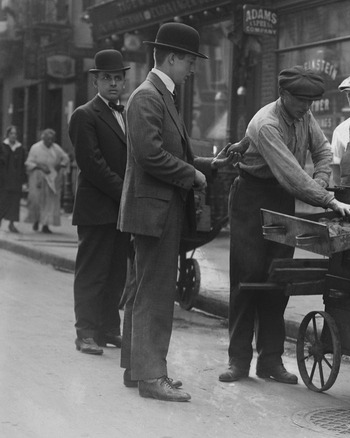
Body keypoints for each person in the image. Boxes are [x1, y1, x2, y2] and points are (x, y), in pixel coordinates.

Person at [217, 66, 350, 384]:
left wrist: (322, 179)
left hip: (282, 198)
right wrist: (329, 200)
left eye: (311, 102)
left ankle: (270, 360)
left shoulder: (305, 116)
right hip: (250, 199)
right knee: (247, 278)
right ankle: (238, 360)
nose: (307, 108)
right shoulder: (266, 123)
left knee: (277, 278)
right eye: (300, 102)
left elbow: (323, 151)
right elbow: (292, 174)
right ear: (283, 95)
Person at [118, 22, 238, 402]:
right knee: (154, 293)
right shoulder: (148, 97)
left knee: (143, 290)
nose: (193, 69)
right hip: (154, 212)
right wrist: (194, 175)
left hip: (157, 209)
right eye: (189, 61)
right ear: (171, 58)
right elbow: (151, 155)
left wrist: (211, 164)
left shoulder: (158, 95)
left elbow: (170, 150)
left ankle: (136, 369)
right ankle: (152, 377)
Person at [68, 49, 132, 356]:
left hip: (119, 209)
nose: (113, 84)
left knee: (116, 272)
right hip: (97, 209)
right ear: (96, 81)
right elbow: (92, 164)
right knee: (92, 272)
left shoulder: (126, 114)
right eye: (107, 78)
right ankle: (86, 333)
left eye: (118, 78)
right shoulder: (85, 114)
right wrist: (126, 192)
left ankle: (108, 329)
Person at [25, 128, 69, 233]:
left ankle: (46, 225)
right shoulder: (35, 148)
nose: (50, 141)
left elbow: (66, 158)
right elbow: (28, 162)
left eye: (52, 139)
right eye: (48, 139)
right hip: (38, 178)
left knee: (49, 202)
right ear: (43, 138)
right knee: (36, 200)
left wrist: (60, 165)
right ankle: (36, 220)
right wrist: (39, 166)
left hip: (51, 179)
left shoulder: (56, 148)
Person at [0, 126, 27, 233]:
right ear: (7, 135)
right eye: (11, 133)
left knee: (15, 203)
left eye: (15, 134)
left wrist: (24, 180)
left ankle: (11, 224)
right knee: (2, 201)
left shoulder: (20, 148)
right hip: (3, 180)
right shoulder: (2, 146)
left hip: (16, 179)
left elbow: (22, 165)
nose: (13, 136)